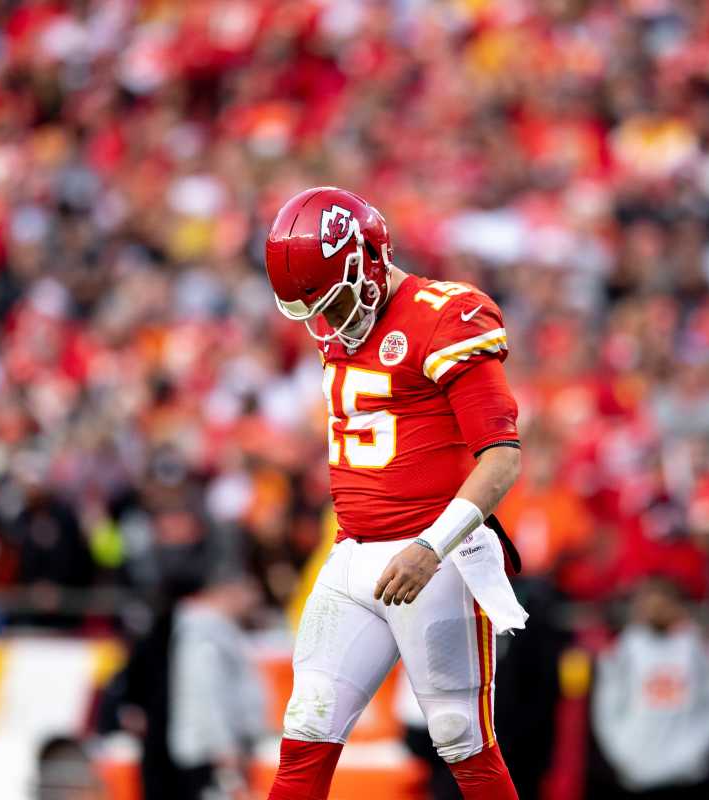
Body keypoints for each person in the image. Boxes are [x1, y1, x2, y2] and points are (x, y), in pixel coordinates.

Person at [263, 188, 526, 800]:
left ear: (369, 260)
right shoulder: (338, 325)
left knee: (461, 734)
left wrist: (431, 548)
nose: (331, 320)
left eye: (339, 299)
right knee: (307, 723)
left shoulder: (445, 315)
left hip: (434, 557)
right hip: (352, 554)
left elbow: (502, 459)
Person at [590, 575, 709, 800]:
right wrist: (625, 753)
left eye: (663, 602)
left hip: (689, 776)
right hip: (638, 775)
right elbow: (606, 707)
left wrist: (697, 751)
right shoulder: (625, 649)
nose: (656, 609)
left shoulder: (696, 647)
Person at [167, 564, 266, 799]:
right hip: (210, 751)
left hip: (220, 746)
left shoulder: (219, 631)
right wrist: (223, 746)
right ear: (230, 592)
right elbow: (206, 693)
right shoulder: (204, 633)